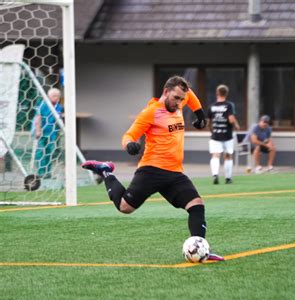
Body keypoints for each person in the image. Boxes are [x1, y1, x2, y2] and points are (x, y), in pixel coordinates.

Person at [81, 76, 224, 261]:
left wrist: (200, 115)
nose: (180, 102)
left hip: (174, 172)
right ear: (166, 92)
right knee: (124, 207)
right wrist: (130, 145)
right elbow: (128, 135)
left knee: (196, 205)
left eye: (182, 99)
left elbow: (191, 96)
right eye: (176, 98)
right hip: (152, 169)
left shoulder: (180, 99)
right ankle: (105, 170)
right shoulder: (151, 112)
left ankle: (201, 250)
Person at [208, 84, 240, 184]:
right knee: (228, 155)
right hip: (227, 135)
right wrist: (236, 125)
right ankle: (228, 178)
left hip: (215, 135)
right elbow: (231, 119)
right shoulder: (229, 105)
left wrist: (211, 130)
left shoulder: (212, 106)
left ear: (217, 93)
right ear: (226, 93)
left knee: (215, 155)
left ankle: (215, 175)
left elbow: (208, 122)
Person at [33, 88, 63, 178]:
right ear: (49, 97)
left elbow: (59, 118)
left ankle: (48, 172)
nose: (56, 98)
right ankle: (41, 172)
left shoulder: (59, 106)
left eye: (58, 96)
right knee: (41, 151)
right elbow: (38, 118)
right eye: (54, 96)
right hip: (42, 131)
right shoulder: (43, 105)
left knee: (50, 152)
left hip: (53, 133)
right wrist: (38, 130)